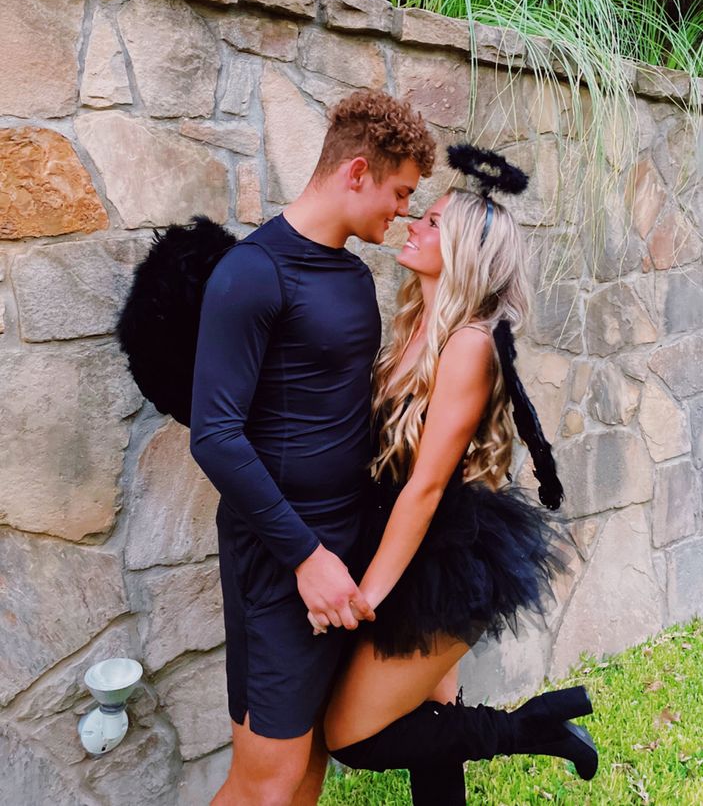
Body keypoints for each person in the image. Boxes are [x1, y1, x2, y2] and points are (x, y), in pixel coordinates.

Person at [322, 159, 597, 804]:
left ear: (466, 251)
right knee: (433, 715)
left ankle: (532, 729)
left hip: (444, 548)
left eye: (434, 222)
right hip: (399, 533)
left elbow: (425, 486)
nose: (414, 224)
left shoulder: (470, 343)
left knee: (349, 737)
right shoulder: (417, 325)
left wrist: (369, 595)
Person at [189, 89, 436, 806]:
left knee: (311, 764)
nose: (401, 212)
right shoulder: (251, 273)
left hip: (349, 549)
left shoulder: (355, 277)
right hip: (280, 560)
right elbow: (215, 436)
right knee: (265, 780)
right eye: (399, 192)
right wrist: (306, 557)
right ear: (356, 171)